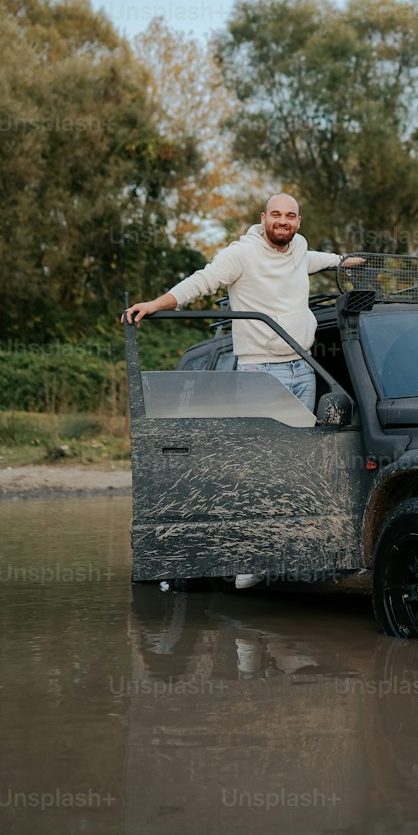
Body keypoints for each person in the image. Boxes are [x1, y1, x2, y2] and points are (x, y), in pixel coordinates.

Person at [125, 192, 345, 591]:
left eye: (291, 215)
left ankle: (291, 552)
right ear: (263, 218)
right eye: (276, 214)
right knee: (257, 466)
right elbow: (203, 280)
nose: (283, 220)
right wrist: (157, 303)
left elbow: (319, 261)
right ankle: (248, 558)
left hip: (303, 367)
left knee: (296, 464)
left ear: (298, 221)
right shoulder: (241, 254)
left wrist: (347, 262)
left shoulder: (299, 250)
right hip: (260, 370)